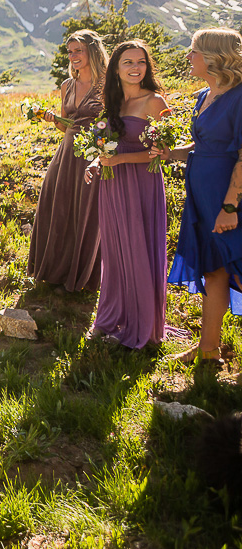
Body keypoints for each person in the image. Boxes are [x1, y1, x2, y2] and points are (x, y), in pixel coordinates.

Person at [161, 29, 242, 364]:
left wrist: (230, 206)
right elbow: (204, 146)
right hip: (202, 197)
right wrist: (171, 153)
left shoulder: (240, 97)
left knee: (238, 267)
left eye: (192, 51)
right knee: (214, 271)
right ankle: (208, 350)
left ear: (212, 56)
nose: (188, 57)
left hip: (228, 197)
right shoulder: (204, 95)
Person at [87, 40, 168, 349]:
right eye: (128, 63)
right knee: (116, 250)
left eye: (141, 62)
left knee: (138, 246)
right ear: (116, 70)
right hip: (112, 185)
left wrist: (118, 160)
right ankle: (110, 316)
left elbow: (161, 153)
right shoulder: (114, 101)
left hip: (142, 183)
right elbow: (106, 145)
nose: (136, 68)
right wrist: (96, 161)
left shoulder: (155, 101)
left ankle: (143, 323)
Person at [27, 30, 107, 291]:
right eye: (70, 52)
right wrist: (54, 120)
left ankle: (81, 276)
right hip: (66, 154)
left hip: (93, 154)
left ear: (92, 52)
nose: (73, 56)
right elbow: (67, 126)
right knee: (57, 208)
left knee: (84, 212)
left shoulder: (107, 85)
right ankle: (55, 272)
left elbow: (111, 122)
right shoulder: (66, 86)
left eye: (78, 51)